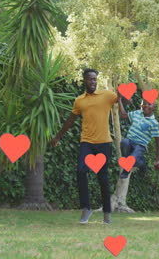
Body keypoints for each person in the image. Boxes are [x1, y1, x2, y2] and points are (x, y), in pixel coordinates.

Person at [50, 68, 117, 225]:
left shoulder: (106, 95)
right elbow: (70, 120)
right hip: (86, 142)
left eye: (95, 79)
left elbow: (122, 98)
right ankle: (86, 208)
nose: (93, 82)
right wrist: (58, 137)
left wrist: (123, 106)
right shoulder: (79, 100)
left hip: (104, 142)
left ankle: (107, 213)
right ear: (84, 81)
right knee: (81, 171)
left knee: (103, 178)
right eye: (90, 79)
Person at [117, 97, 159, 179]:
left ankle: (141, 163)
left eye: (149, 104)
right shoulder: (137, 113)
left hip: (140, 146)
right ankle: (129, 163)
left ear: (154, 107)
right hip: (129, 142)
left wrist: (157, 160)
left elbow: (158, 143)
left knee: (132, 159)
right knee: (124, 142)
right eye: (144, 103)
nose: (146, 106)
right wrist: (119, 100)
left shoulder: (154, 123)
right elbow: (123, 115)